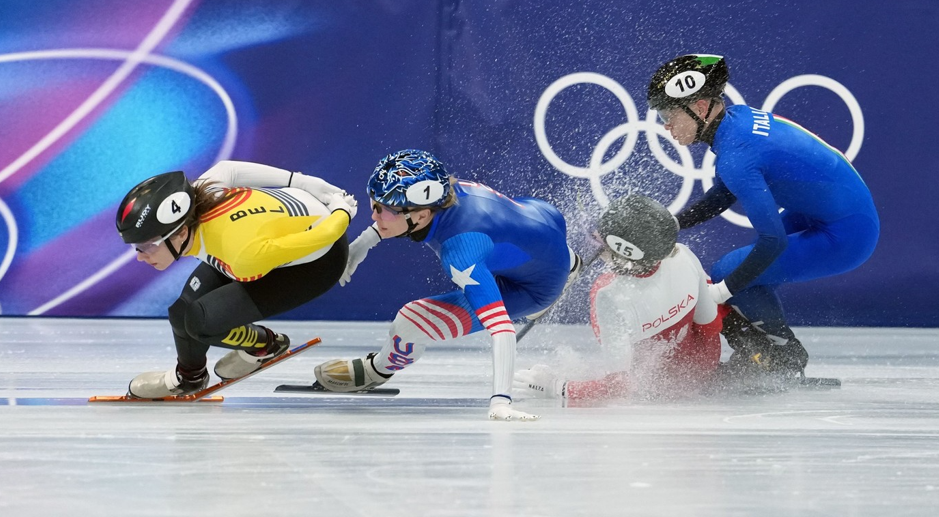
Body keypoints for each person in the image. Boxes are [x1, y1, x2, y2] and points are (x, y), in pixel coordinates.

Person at [646, 54, 879, 377]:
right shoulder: (737, 121)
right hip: (835, 213)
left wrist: (718, 295)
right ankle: (764, 350)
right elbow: (724, 194)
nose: (665, 125)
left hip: (849, 234)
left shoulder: (737, 155)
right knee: (744, 275)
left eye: (668, 114)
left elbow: (773, 241)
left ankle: (785, 357)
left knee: (729, 272)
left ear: (700, 107)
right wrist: (674, 223)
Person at [312, 149, 582, 420]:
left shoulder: (461, 252)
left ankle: (378, 369)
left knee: (409, 321)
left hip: (532, 289)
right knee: (513, 238)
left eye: (384, 210)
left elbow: (501, 329)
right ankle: (570, 262)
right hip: (544, 219)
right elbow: (399, 218)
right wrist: (362, 244)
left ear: (421, 216)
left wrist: (501, 401)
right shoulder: (447, 190)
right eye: (374, 204)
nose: (374, 216)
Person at [115, 160, 357, 398]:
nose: (140, 256)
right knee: (181, 312)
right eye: (136, 246)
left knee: (201, 322)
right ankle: (189, 377)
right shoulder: (197, 199)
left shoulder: (242, 256)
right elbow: (228, 169)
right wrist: (299, 180)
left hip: (319, 261)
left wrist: (341, 210)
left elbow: (326, 234)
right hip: (265, 238)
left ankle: (265, 346)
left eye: (147, 246)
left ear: (181, 232)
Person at [513, 195, 723, 404]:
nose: (597, 239)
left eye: (603, 239)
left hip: (661, 391)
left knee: (603, 285)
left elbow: (619, 387)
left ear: (625, 251)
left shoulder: (609, 295)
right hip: (703, 368)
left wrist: (557, 387)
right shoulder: (684, 255)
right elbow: (712, 327)